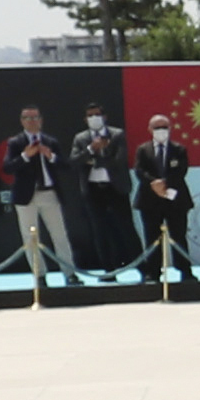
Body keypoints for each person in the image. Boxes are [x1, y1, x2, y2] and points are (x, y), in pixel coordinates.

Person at [0, 108, 75, 285]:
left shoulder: (50, 141)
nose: (32, 121)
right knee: (30, 238)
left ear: (41, 120)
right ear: (22, 121)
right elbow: (7, 167)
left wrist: (51, 156)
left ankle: (69, 273)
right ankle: (39, 275)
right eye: (27, 118)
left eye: (35, 117)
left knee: (60, 235)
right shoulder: (15, 143)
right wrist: (26, 156)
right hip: (26, 197)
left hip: (49, 194)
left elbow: (66, 166)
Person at [133, 116, 199, 284]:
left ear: (170, 128)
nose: (160, 130)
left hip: (175, 199)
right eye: (157, 127)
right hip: (150, 200)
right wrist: (153, 183)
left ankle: (185, 271)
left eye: (164, 127)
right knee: (152, 238)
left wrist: (165, 183)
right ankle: (153, 273)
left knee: (179, 236)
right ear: (150, 130)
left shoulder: (179, 149)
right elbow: (139, 170)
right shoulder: (143, 149)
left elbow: (181, 170)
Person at [71, 103, 136, 273]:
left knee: (126, 229)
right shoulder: (81, 138)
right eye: (90, 115)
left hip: (116, 188)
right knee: (100, 231)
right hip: (93, 190)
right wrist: (92, 149)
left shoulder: (117, 134)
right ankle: (108, 270)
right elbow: (75, 161)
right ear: (85, 119)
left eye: (97, 114)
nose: (94, 118)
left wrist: (93, 162)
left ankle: (143, 268)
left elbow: (119, 161)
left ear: (104, 116)